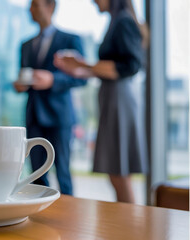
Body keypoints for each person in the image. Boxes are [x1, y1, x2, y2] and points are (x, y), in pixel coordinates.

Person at [54, 0, 147, 203]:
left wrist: (84, 64)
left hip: (119, 99)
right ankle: (128, 227)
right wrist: (80, 68)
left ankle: (129, 229)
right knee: (116, 172)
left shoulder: (123, 22)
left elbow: (129, 66)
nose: (93, 1)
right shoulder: (117, 21)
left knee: (119, 172)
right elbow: (110, 68)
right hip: (114, 98)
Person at [13, 0, 87, 195]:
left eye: (35, 5)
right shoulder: (26, 45)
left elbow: (81, 78)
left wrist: (52, 79)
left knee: (63, 172)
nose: (30, 9)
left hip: (60, 116)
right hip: (34, 115)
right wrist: (21, 85)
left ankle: (68, 220)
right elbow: (25, 77)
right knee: (36, 174)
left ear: (50, 7)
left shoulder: (71, 39)